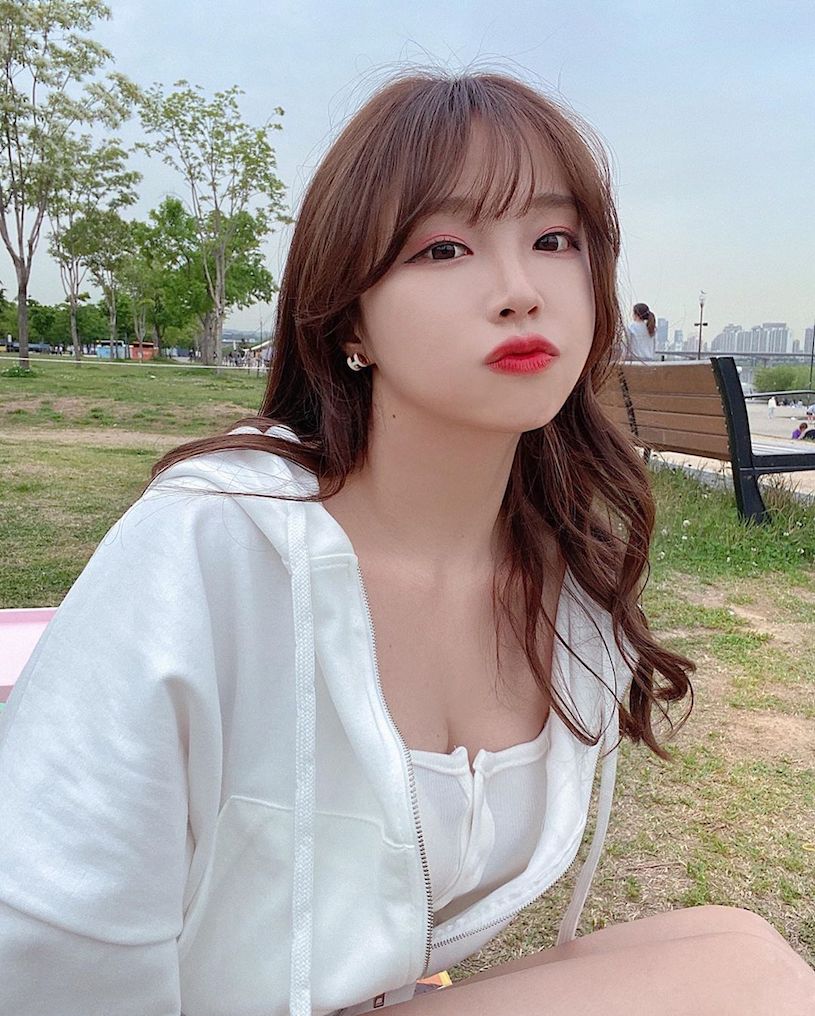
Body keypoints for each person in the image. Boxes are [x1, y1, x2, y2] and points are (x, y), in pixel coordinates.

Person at [1, 72, 813, 1016]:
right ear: (349, 317)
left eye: (553, 239)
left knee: (734, 938)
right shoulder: (212, 542)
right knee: (751, 986)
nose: (518, 291)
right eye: (444, 248)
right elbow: (45, 940)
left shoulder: (558, 578)